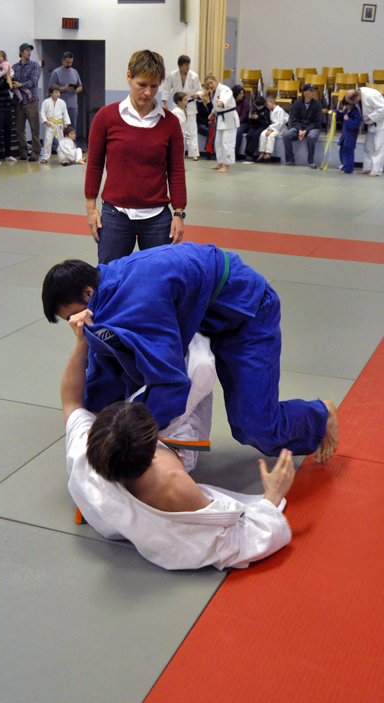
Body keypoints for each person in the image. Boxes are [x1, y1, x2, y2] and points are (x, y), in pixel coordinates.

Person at [42, 244, 339, 464]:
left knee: (255, 427)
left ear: (87, 292)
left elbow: (171, 386)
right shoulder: (106, 290)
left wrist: (127, 437)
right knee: (125, 375)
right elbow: (105, 366)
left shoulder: (136, 300)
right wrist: (94, 424)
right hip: (204, 315)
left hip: (247, 310)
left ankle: (319, 415)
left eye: (74, 315)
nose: (75, 323)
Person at [63, 309, 294, 571]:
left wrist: (82, 340)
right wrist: (273, 496)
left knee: (142, 376)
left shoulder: (85, 454)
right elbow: (236, 542)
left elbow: (71, 400)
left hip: (134, 453)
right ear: (154, 446)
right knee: (201, 365)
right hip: (180, 444)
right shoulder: (175, 489)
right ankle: (192, 321)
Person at [85, 49, 186, 265]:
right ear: (129, 76)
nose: (148, 93)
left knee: (158, 283)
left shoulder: (170, 123)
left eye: (154, 86)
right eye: (142, 84)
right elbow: (94, 165)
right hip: (115, 216)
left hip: (157, 219)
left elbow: (176, 170)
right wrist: (91, 208)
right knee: (110, 281)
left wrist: (179, 213)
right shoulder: (106, 117)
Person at [162, 55, 203, 161]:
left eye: (189, 64)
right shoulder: (172, 75)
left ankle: (194, 153)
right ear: (180, 65)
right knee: (176, 130)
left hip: (190, 104)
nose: (188, 67)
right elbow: (166, 89)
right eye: (185, 65)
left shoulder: (194, 76)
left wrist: (197, 95)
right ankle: (176, 152)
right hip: (177, 105)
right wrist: (165, 103)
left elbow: (200, 90)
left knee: (192, 130)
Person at [12, 43, 42, 161]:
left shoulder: (35, 66)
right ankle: (23, 151)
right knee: (19, 128)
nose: (29, 52)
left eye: (30, 50)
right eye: (27, 50)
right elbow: (12, 82)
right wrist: (13, 86)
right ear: (21, 52)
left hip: (31, 100)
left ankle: (35, 152)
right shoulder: (14, 67)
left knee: (34, 127)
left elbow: (34, 81)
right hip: (19, 102)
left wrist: (21, 85)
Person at [344, 87, 384, 177]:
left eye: (351, 102)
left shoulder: (372, 95)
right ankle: (367, 167)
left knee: (379, 147)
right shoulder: (359, 93)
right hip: (371, 124)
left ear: (356, 99)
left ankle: (376, 171)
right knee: (368, 146)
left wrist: (370, 116)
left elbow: (382, 108)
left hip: (381, 123)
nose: (351, 104)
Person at [282, 84, 322, 168]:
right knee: (286, 135)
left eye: (313, 91)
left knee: (311, 137)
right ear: (304, 93)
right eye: (311, 91)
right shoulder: (297, 104)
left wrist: (306, 130)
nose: (313, 93)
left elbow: (317, 122)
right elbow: (294, 120)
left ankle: (311, 161)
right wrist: (300, 129)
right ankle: (289, 160)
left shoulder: (317, 105)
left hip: (312, 128)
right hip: (299, 128)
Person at [206, 74, 240, 173]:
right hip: (221, 119)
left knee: (227, 142)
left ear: (216, 80)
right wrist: (213, 113)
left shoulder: (225, 89)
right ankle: (220, 163)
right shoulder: (213, 92)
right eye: (208, 85)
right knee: (218, 142)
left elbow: (226, 97)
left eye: (211, 83)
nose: (210, 86)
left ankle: (227, 166)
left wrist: (222, 102)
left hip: (229, 119)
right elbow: (216, 106)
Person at [50, 51, 83, 134]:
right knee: (59, 126)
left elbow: (80, 86)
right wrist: (63, 89)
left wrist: (77, 89)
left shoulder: (75, 72)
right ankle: (59, 145)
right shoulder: (56, 72)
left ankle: (72, 144)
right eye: (67, 62)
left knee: (72, 127)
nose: (69, 64)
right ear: (62, 60)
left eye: (71, 62)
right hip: (60, 105)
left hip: (73, 105)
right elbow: (51, 88)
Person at [40, 84, 70, 163]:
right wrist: (45, 121)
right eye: (56, 92)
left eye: (58, 92)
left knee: (61, 141)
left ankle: (63, 157)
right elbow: (42, 112)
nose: (58, 94)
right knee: (48, 141)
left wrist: (65, 123)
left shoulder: (62, 102)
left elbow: (65, 113)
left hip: (59, 124)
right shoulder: (46, 102)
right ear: (51, 93)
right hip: (50, 123)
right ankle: (45, 157)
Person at [257, 97, 289, 162]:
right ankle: (262, 153)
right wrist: (270, 129)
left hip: (279, 129)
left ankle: (268, 154)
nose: (267, 106)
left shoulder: (279, 110)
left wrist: (271, 130)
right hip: (273, 127)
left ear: (272, 103)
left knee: (271, 136)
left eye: (267, 104)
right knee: (263, 134)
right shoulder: (272, 111)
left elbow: (280, 123)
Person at [335, 98, 362, 174]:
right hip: (345, 135)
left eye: (346, 105)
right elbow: (341, 118)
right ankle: (344, 166)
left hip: (351, 136)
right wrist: (337, 113)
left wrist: (348, 119)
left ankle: (348, 168)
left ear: (350, 104)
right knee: (342, 152)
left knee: (348, 152)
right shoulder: (347, 110)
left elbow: (356, 124)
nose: (345, 107)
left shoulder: (355, 112)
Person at [244, 96, 271, 161]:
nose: (258, 108)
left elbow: (266, 123)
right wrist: (252, 118)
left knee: (256, 135)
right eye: (257, 106)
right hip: (254, 126)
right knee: (249, 135)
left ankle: (250, 152)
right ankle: (247, 152)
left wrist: (258, 118)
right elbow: (251, 122)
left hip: (263, 126)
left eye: (259, 106)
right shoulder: (254, 110)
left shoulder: (266, 111)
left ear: (263, 105)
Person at [232, 85, 250, 159]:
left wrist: (236, 123)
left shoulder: (245, 102)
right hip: (232, 122)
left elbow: (244, 115)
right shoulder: (231, 101)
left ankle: (235, 152)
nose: (242, 95)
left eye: (243, 93)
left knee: (238, 131)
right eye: (240, 93)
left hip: (243, 123)